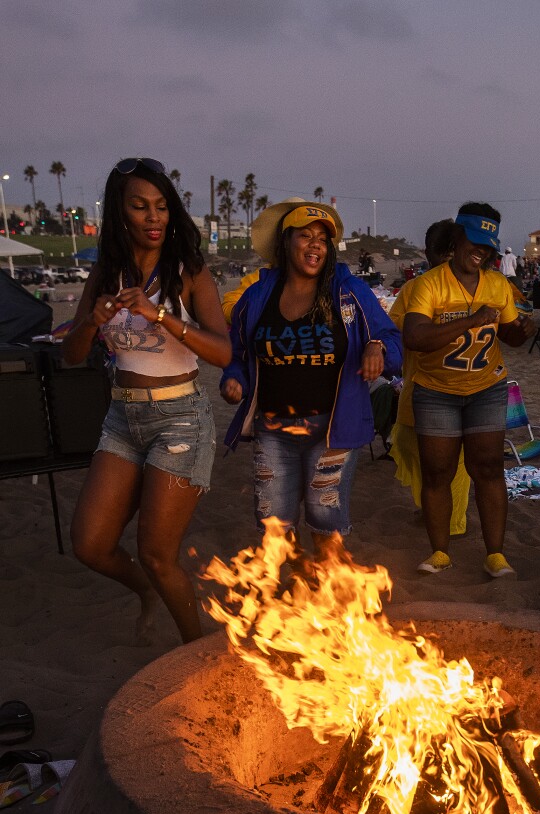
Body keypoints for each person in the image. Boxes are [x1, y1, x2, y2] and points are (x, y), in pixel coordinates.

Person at [62, 157, 232, 644]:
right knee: (91, 545)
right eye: (140, 206)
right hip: (122, 419)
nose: (154, 217)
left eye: (160, 206)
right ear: (121, 213)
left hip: (180, 419)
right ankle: (146, 593)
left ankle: (194, 654)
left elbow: (223, 352)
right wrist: (92, 322)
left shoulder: (188, 272)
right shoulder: (106, 272)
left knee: (158, 553)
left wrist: (160, 316)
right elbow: (72, 356)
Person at [219, 200, 401, 549]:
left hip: (331, 429)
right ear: (286, 242)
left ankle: (324, 594)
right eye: (306, 236)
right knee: (274, 525)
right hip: (273, 430)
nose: (316, 244)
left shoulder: (349, 293)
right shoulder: (257, 296)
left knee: (325, 519)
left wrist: (376, 347)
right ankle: (296, 598)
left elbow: (391, 339)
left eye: (322, 239)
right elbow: (238, 353)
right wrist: (234, 380)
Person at [401, 201, 535, 577]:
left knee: (489, 468)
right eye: (474, 241)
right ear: (457, 238)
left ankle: (496, 555)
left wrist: (522, 332)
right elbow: (415, 337)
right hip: (436, 390)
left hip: (486, 388)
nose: (481, 251)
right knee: (438, 472)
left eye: (488, 245)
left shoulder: (498, 284)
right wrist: (471, 320)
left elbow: (507, 334)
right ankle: (439, 552)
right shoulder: (429, 284)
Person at [388, 219, 470, 537]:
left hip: (442, 393)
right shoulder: (418, 290)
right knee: (437, 454)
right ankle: (444, 513)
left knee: (443, 457)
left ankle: (449, 519)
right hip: (440, 392)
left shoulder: (417, 290)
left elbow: (392, 331)